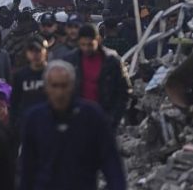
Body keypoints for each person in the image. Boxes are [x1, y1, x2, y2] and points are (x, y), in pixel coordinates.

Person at [18, 61, 127, 190]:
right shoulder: (35, 119)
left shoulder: (92, 116)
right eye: (55, 86)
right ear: (46, 87)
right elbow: (27, 168)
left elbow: (110, 161)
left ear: (73, 86)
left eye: (64, 86)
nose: (60, 92)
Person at [64, 24, 132, 128]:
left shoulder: (113, 61)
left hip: (104, 118)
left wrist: (115, 118)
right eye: (83, 44)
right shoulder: (70, 61)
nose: (86, 48)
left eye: (90, 44)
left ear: (98, 40)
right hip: (78, 120)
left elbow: (125, 91)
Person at [10, 36, 48, 126]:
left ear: (45, 51)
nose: (35, 54)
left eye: (38, 50)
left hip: (48, 121)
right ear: (26, 53)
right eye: (31, 50)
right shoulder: (20, 76)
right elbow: (15, 102)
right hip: (27, 122)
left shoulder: (53, 74)